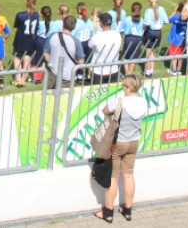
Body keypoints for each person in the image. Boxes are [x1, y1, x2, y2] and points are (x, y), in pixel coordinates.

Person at [94, 75, 148, 223]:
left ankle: (108, 212)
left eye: (124, 86)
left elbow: (105, 110)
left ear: (129, 87)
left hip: (118, 142)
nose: (123, 88)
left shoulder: (121, 102)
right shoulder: (143, 102)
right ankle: (128, 209)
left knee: (113, 177)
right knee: (129, 175)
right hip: (134, 141)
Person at [42, 15, 85, 87]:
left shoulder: (52, 36)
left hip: (51, 75)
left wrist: (52, 63)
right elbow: (81, 62)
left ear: (63, 24)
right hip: (67, 78)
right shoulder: (76, 42)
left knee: (47, 97)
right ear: (74, 27)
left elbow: (46, 54)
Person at [87, 13, 121, 84]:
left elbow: (90, 47)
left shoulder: (97, 37)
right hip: (113, 70)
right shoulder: (117, 35)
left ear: (101, 24)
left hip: (99, 71)